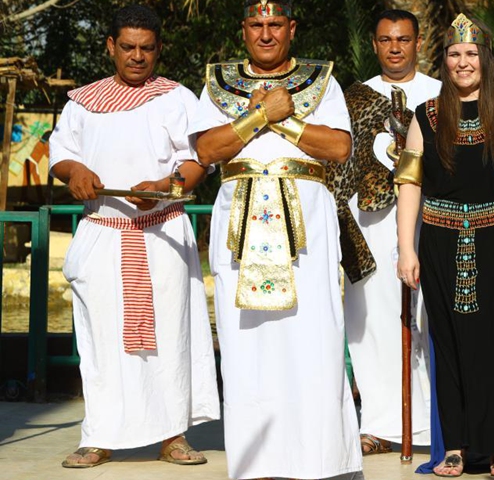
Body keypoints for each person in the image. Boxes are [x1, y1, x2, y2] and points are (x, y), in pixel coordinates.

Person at [188, 1, 362, 479]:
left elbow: (339, 147)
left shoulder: (322, 80)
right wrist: (261, 114)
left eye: (275, 25)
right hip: (240, 222)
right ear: (243, 30)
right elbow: (206, 149)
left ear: (292, 28)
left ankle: (319, 461)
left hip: (307, 223)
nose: (266, 34)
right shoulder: (218, 82)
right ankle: (256, 463)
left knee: (313, 335)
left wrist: (279, 117)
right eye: (256, 25)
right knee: (246, 343)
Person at [48, 4, 219, 469]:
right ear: (111, 46)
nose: (137, 56)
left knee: (170, 335)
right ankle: (99, 436)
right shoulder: (82, 101)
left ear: (159, 49)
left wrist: (166, 186)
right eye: (128, 47)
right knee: (101, 339)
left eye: (147, 48)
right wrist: (75, 172)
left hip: (162, 234)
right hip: (103, 234)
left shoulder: (178, 98)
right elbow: (60, 155)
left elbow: (199, 160)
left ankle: (172, 436)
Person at [395, 13, 494, 478]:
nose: (463, 62)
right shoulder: (426, 116)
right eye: (454, 54)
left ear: (485, 59)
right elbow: (409, 186)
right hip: (440, 243)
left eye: (471, 53)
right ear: (444, 60)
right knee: (450, 345)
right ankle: (457, 447)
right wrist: (406, 248)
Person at [336, 9, 441, 454]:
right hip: (371, 225)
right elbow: (339, 167)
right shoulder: (353, 98)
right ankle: (381, 423)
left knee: (431, 317)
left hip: (434, 221)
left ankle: (436, 423)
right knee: (373, 320)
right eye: (385, 40)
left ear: (418, 42)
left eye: (402, 39)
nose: (394, 48)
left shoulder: (442, 93)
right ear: (375, 44)